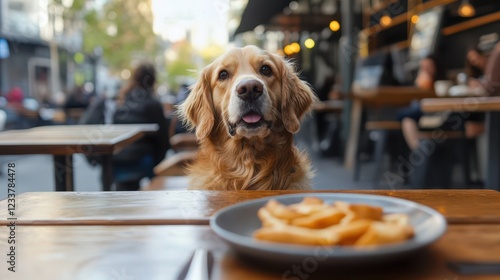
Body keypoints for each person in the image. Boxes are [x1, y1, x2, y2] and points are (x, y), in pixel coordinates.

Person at [80, 62, 169, 191]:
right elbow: (163, 140)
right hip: (140, 161)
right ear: (153, 80)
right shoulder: (153, 104)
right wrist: (158, 165)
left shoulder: (117, 99)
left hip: (113, 159)